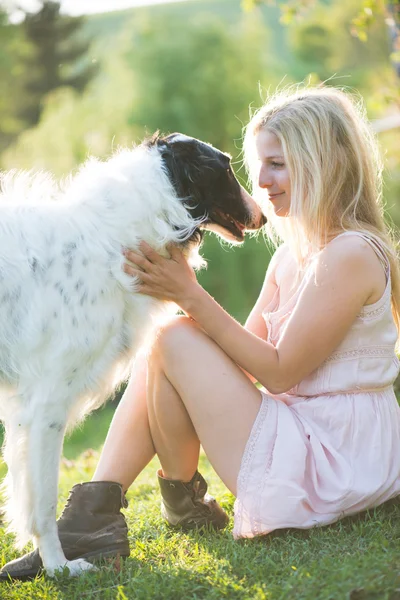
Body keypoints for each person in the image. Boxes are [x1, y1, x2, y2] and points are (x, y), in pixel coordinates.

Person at [2, 86, 400, 580]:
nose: (262, 182)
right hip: (303, 433)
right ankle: (98, 514)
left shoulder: (352, 254)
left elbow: (278, 372)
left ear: (325, 162)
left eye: (277, 164)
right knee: (168, 338)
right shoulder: (291, 255)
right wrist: (167, 294)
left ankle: (115, 512)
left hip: (334, 457)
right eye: (259, 166)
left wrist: (190, 295)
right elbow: (237, 362)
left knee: (173, 337)